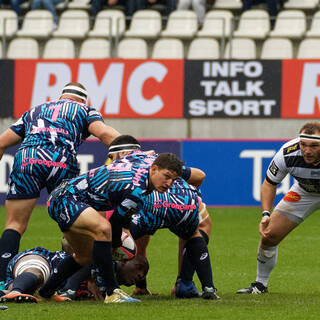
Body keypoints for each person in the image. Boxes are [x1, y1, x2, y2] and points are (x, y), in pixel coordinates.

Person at [0, 82, 120, 290]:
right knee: (74, 222)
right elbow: (103, 133)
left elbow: (2, 142)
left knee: (15, 224)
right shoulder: (85, 110)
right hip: (61, 160)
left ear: (62, 96)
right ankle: (72, 284)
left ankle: (2, 282)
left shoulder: (34, 110)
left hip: (28, 158)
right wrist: (127, 149)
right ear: (83, 99)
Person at [37, 151, 183, 303]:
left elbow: (140, 154)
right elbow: (116, 221)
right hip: (66, 199)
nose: (169, 184)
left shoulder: (147, 160)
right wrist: (115, 246)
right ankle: (112, 292)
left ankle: (46, 292)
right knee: (104, 228)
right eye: (166, 176)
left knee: (84, 257)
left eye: (173, 179)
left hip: (65, 196)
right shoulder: (136, 190)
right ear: (154, 169)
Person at [106, 135, 219, 300]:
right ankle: (193, 285)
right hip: (183, 205)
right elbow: (200, 175)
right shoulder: (156, 161)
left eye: (110, 156)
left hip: (149, 207)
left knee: (106, 238)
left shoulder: (122, 166)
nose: (109, 160)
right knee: (195, 232)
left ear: (122, 152)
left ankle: (100, 286)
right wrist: (191, 197)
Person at [237, 121, 320, 294]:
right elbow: (269, 184)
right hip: (305, 192)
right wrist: (266, 213)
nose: (307, 150)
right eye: (303, 144)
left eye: (314, 146)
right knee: (269, 235)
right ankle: (260, 284)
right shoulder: (287, 153)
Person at [0, 246, 149, 303]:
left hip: (42, 284)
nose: (140, 276)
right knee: (37, 272)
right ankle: (15, 292)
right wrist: (70, 291)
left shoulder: (106, 285)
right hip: (43, 259)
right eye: (139, 268)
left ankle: (9, 292)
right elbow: (87, 261)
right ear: (124, 260)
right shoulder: (105, 261)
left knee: (31, 290)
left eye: (143, 275)